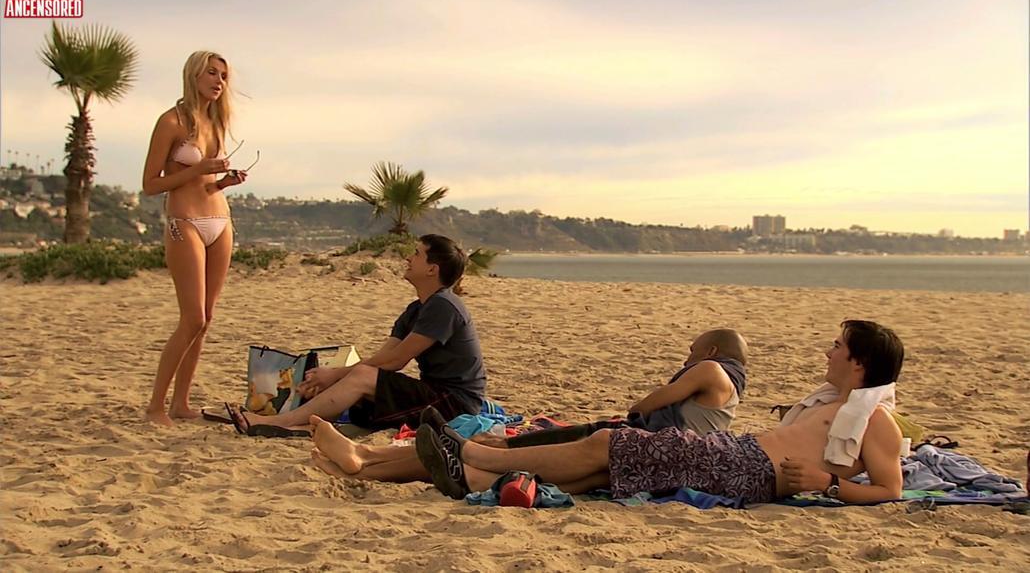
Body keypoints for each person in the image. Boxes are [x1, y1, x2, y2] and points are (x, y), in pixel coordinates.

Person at [417, 320, 906, 505]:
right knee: (608, 470)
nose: (828, 351)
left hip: (749, 470)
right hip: (738, 454)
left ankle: (475, 454)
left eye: (838, 346)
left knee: (609, 443)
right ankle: (477, 481)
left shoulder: (875, 419)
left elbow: (890, 489)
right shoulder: (833, 403)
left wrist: (827, 485)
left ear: (859, 362)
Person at [306, 329, 748, 483]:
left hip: (634, 442)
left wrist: (642, 404)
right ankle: (366, 458)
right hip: (635, 444)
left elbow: (652, 402)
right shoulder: (727, 388)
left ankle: (366, 459)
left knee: (496, 449)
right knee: (494, 448)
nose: (687, 358)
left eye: (692, 350)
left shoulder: (711, 371)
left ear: (710, 351)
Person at [229, 234, 486, 434]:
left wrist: (336, 375)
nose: (409, 258)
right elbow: (384, 356)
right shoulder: (416, 309)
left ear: (432, 269)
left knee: (358, 376)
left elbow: (396, 362)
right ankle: (307, 421)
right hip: (433, 394)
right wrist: (331, 378)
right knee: (354, 380)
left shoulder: (444, 306)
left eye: (417, 254)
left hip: (455, 404)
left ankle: (282, 422)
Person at [142, 51, 248, 426]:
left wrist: (223, 182)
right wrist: (198, 168)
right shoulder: (171, 121)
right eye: (212, 73)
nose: (219, 81)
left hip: (219, 221)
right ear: (194, 75)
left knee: (206, 319)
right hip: (184, 221)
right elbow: (150, 184)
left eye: (224, 76)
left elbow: (206, 183)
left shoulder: (216, 122)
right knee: (192, 317)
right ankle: (155, 406)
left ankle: (181, 403)